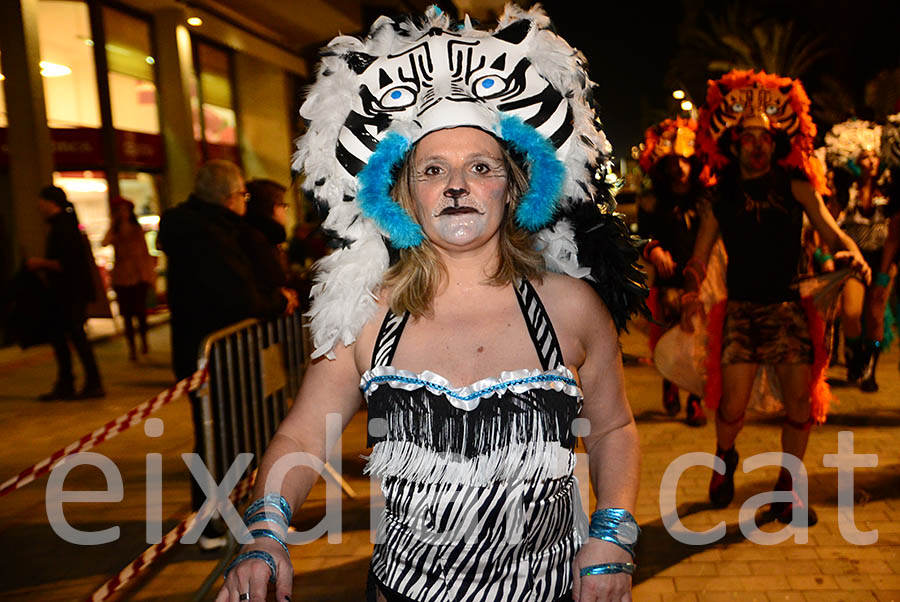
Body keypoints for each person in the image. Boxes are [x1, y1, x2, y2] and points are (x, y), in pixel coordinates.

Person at [216, 6, 647, 602]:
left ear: (514, 185)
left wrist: (612, 536)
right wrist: (264, 534)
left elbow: (614, 428)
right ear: (403, 195)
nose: (456, 187)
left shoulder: (570, 307)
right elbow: (303, 438)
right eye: (433, 170)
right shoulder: (364, 313)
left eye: (480, 167)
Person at [681, 70, 870, 527]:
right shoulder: (720, 195)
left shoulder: (797, 186)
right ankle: (725, 457)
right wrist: (690, 287)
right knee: (731, 405)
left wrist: (855, 252)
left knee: (801, 405)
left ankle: (788, 490)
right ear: (734, 143)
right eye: (748, 138)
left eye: (764, 137)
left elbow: (829, 231)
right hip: (742, 311)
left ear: (777, 142)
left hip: (788, 310)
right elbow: (701, 253)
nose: (757, 145)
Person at [158, 160, 299, 545]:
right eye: (242, 195)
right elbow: (237, 296)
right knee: (218, 440)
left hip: (215, 355)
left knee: (230, 437)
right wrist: (274, 301)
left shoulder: (203, 228)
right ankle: (210, 523)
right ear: (226, 196)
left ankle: (227, 516)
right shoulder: (207, 235)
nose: (244, 201)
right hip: (213, 357)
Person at [638, 117, 708, 426]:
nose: (680, 168)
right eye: (673, 162)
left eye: (685, 161)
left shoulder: (706, 201)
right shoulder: (654, 201)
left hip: (700, 281)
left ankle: (695, 400)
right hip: (667, 283)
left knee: (698, 344)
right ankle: (670, 381)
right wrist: (654, 249)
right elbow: (641, 237)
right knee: (669, 340)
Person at [825, 119, 898, 391]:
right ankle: (855, 355)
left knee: (876, 315)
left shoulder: (890, 192)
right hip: (854, 260)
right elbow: (827, 223)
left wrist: (885, 272)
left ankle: (870, 369)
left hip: (883, 259)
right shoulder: (847, 192)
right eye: (865, 157)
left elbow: (894, 235)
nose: (871, 162)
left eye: (875, 157)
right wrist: (826, 254)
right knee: (852, 313)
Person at [27, 185, 105, 400]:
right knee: (65, 337)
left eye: (41, 200)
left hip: (68, 293)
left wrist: (40, 263)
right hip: (67, 292)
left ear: (50, 202)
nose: (38, 205)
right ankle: (71, 382)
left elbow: (66, 264)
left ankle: (87, 382)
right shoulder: (64, 224)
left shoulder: (63, 227)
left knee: (73, 336)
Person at [102, 197, 156, 361]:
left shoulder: (136, 229)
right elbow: (104, 242)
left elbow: (144, 253)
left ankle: (144, 342)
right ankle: (132, 347)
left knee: (140, 312)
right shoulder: (115, 230)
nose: (123, 213)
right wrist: (113, 225)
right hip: (121, 276)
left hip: (138, 275)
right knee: (126, 314)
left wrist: (148, 275)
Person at [241, 179, 298, 310]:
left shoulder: (265, 238)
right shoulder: (260, 241)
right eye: (284, 206)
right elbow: (277, 280)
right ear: (273, 208)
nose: (285, 211)